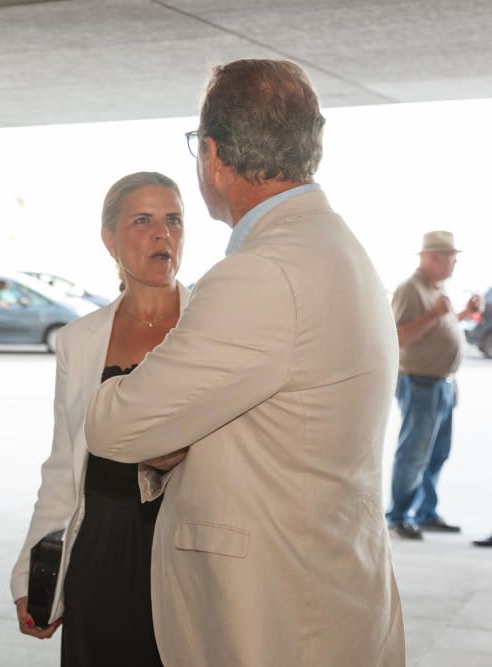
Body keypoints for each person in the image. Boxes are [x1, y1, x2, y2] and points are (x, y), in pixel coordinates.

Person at [84, 59, 404, 665]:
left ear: (211, 155)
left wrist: (167, 433)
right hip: (325, 586)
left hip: (274, 614)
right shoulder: (339, 247)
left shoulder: (260, 272)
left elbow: (113, 425)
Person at [11, 172, 190, 666]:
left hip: (191, 544)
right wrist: (34, 568)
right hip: (103, 544)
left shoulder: (213, 327)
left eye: (173, 219)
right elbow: (63, 465)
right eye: (143, 220)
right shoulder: (80, 339)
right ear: (109, 238)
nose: (163, 234)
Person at [386, 231, 484, 539]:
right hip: (419, 383)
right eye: (451, 257)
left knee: (437, 452)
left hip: (441, 383)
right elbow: (399, 338)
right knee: (414, 453)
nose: (455, 263)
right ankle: (399, 516)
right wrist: (433, 315)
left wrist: (462, 314)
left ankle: (425, 511)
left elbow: (440, 327)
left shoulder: (436, 288)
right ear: (434, 258)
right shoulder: (410, 289)